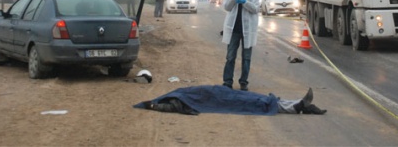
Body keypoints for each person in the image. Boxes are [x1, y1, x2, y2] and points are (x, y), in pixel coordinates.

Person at [133, 85, 326, 115]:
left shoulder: (178, 92)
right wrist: (154, 106)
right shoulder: (176, 102)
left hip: (216, 92)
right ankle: (298, 107)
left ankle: (298, 104)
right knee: (255, 102)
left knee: (255, 96)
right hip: (217, 99)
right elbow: (170, 107)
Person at [222, 0, 260, 91]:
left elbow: (255, 9)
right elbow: (227, 8)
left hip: (247, 30)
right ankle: (227, 82)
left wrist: (244, 2)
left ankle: (243, 82)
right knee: (230, 57)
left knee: (246, 58)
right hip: (234, 29)